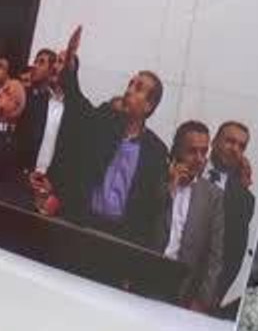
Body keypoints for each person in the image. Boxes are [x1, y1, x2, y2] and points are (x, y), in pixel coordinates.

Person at [30, 27, 169, 249]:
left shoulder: (157, 151)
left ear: (149, 105)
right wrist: (71, 67)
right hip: (84, 223)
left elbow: (150, 208)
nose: (129, 90)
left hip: (120, 238)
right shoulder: (106, 119)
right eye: (130, 84)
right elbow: (77, 102)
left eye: (138, 88)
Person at [158, 121, 225, 312]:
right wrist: (170, 187)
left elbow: (215, 257)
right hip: (145, 275)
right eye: (192, 151)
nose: (199, 158)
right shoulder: (157, 177)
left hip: (182, 291)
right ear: (177, 150)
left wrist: (202, 300)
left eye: (204, 152)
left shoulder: (213, 196)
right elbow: (141, 223)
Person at [206, 122, 257, 316]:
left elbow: (235, 252)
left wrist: (218, 293)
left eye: (241, 146)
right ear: (214, 141)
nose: (235, 149)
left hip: (208, 290)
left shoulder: (244, 199)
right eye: (230, 141)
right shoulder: (191, 166)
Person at [19, 48, 66, 173]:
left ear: (51, 70)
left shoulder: (55, 104)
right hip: (16, 168)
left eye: (41, 63)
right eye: (35, 61)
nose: (34, 66)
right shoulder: (24, 95)